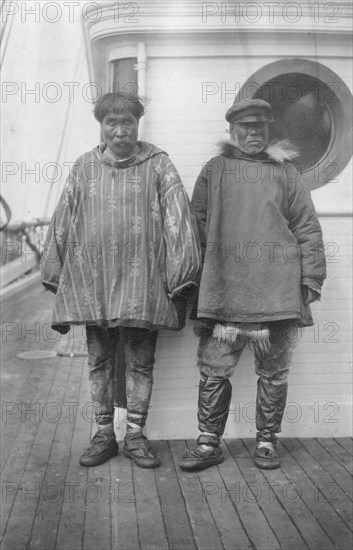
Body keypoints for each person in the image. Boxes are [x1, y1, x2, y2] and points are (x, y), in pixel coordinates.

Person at [42, 92, 201, 468]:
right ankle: (102, 435)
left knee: (140, 362)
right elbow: (64, 220)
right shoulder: (84, 167)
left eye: (126, 122)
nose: (119, 131)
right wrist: (57, 272)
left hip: (141, 286)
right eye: (111, 123)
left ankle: (134, 436)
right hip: (93, 285)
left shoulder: (159, 165)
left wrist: (180, 277)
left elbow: (180, 222)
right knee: (99, 361)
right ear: (102, 126)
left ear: (137, 124)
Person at [178, 98, 326, 471]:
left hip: (276, 290)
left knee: (274, 372)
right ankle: (209, 442)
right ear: (232, 131)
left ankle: (266, 442)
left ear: (268, 130)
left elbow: (306, 227)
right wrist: (190, 279)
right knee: (214, 368)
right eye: (245, 128)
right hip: (224, 289)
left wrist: (311, 275)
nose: (253, 134)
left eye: (260, 127)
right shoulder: (215, 170)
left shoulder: (286, 173)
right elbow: (195, 224)